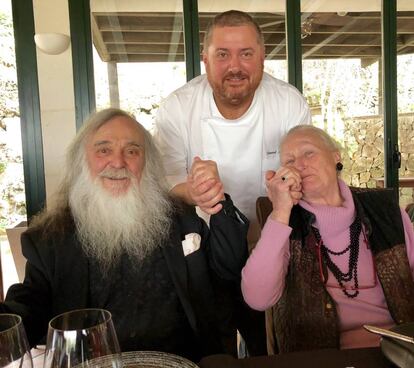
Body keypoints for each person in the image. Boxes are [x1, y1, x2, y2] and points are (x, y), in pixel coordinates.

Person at [0, 108, 249, 363]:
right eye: (104, 150)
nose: (118, 163)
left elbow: (229, 268)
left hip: (183, 360)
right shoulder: (50, 238)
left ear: (147, 163)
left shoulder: (180, 218)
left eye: (132, 151)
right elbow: (26, 312)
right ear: (81, 160)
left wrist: (216, 199)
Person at [155, 9, 311, 355]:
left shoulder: (287, 103)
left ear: (262, 57)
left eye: (246, 53)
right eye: (222, 54)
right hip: (205, 249)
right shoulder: (179, 107)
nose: (234, 66)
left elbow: (303, 168)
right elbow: (164, 181)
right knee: (212, 349)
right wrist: (190, 191)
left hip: (274, 245)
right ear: (205, 59)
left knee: (269, 344)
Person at [241, 125, 414, 353]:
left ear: (335, 156)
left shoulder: (384, 210)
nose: (300, 165)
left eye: (309, 153)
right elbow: (258, 298)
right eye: (289, 161)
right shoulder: (285, 222)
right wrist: (280, 211)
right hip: (319, 357)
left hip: (399, 350)